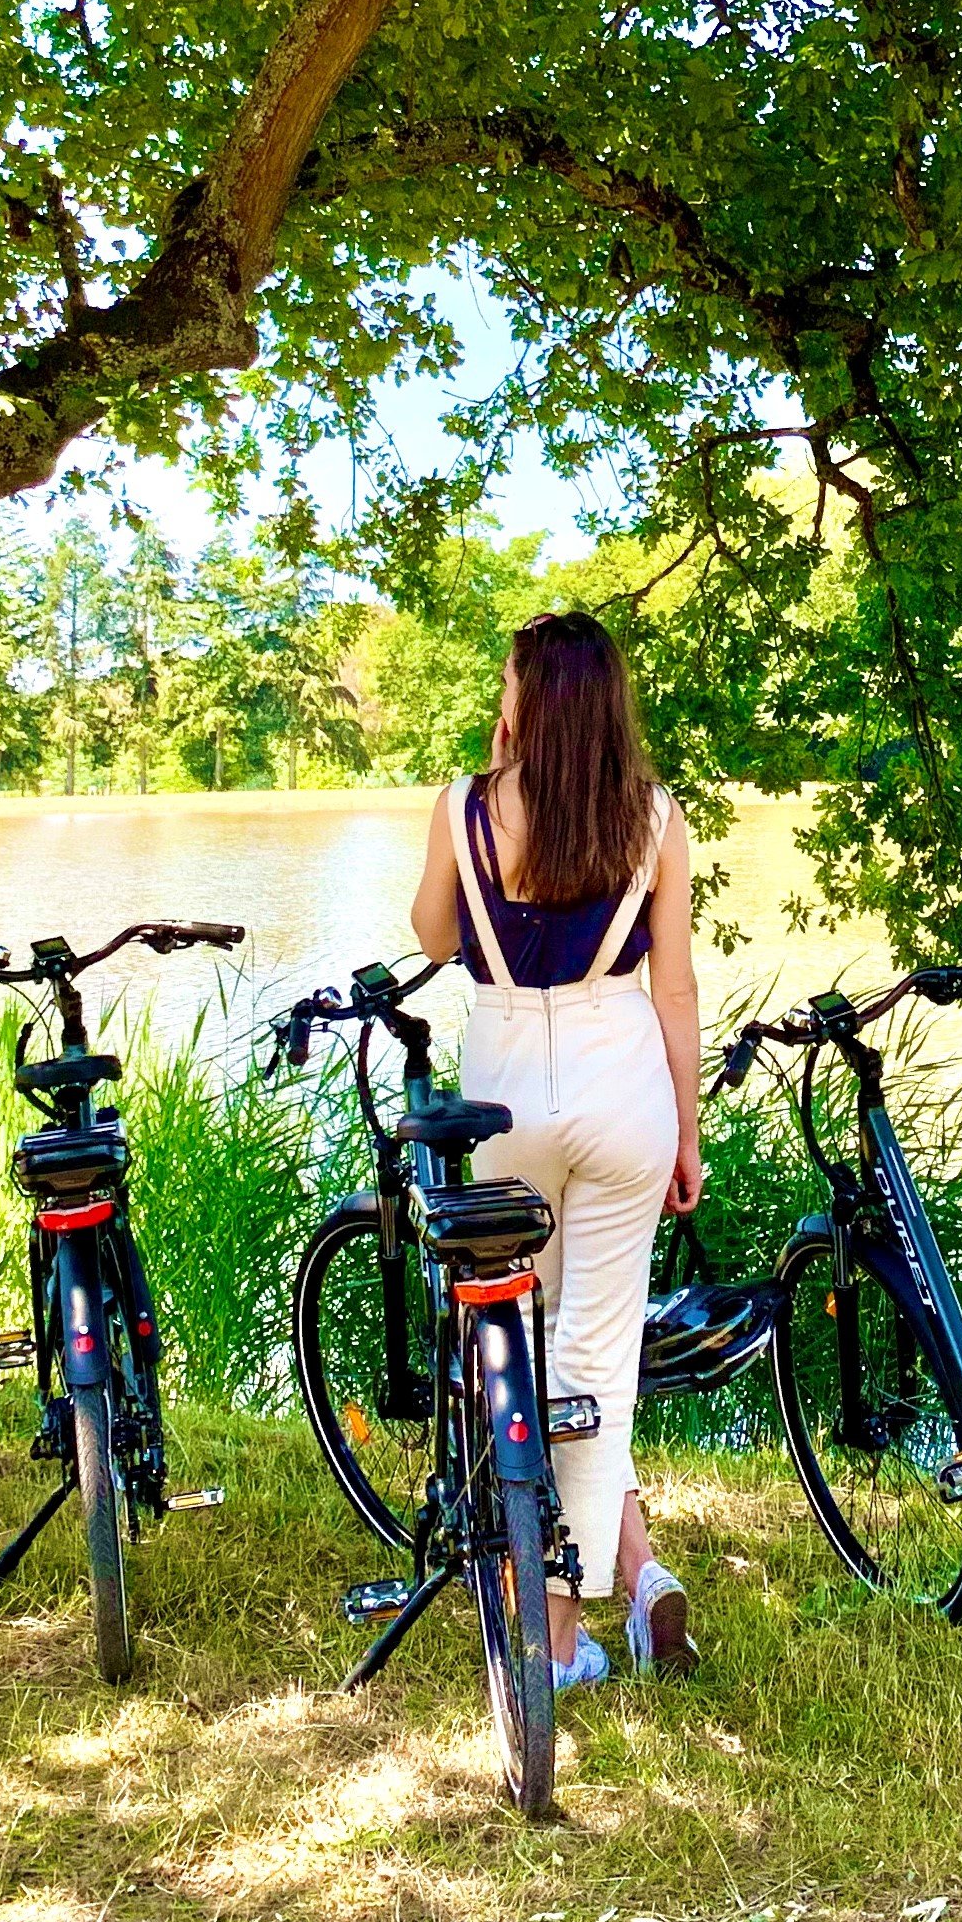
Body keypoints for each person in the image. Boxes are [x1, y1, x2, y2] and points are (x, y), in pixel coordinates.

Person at [411, 610, 707, 1684]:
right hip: (621, 1080)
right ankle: (569, 1628)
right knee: (596, 1361)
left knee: (512, 1342)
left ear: (525, 700)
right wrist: (691, 1128)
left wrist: (488, 781)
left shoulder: (464, 808)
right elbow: (673, 987)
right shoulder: (655, 817)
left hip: (502, 1094)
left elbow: (436, 936)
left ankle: (529, 1601)